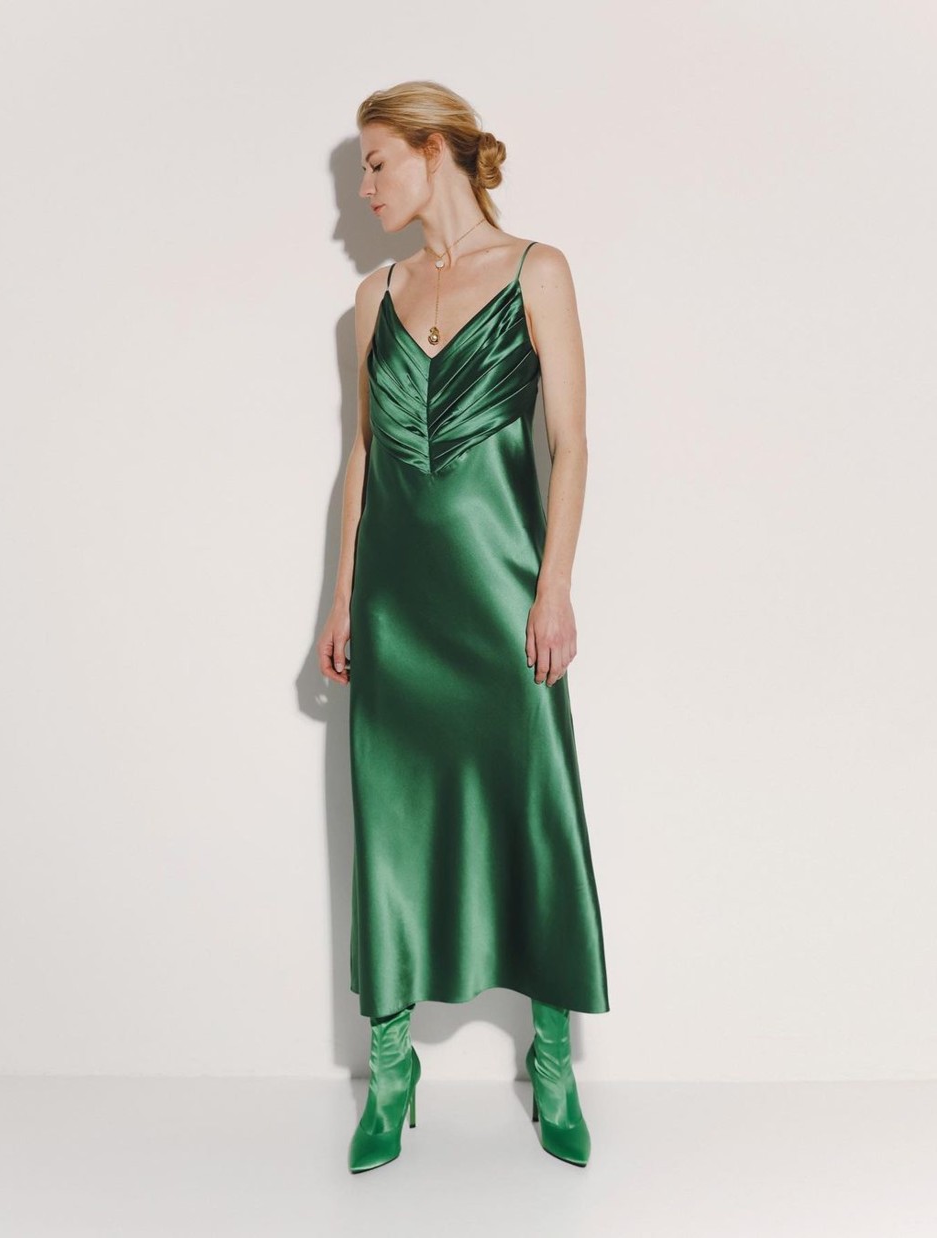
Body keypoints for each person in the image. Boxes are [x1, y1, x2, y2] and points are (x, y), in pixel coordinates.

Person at [317, 80, 610, 1173]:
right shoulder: (372, 296)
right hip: (397, 607)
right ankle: (391, 1068)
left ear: (434, 150)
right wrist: (341, 597)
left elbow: (571, 442)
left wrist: (554, 586)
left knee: (537, 810)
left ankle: (552, 1058)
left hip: (501, 597)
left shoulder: (538, 270)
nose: (363, 187)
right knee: (390, 825)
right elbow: (361, 456)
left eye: (376, 162)